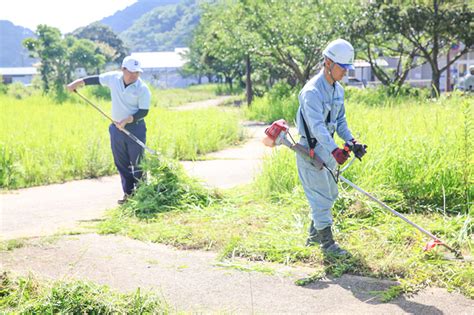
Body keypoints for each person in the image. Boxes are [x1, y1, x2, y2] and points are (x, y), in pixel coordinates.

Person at [296, 39, 365, 255]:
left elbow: (340, 122)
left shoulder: (338, 91)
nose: (345, 73)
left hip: (328, 151)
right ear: (328, 62)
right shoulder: (312, 92)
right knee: (321, 198)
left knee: (330, 194)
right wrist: (335, 148)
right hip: (311, 151)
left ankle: (312, 238)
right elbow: (317, 127)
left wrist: (352, 142)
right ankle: (328, 246)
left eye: (347, 68)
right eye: (343, 68)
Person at [67, 56, 151, 204]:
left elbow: (143, 111)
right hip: (116, 128)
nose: (134, 75)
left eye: (137, 72)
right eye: (131, 72)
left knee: (138, 163)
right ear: (123, 69)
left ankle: (144, 194)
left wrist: (127, 120)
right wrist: (77, 83)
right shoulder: (113, 78)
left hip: (135, 128)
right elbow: (96, 79)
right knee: (121, 162)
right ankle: (129, 194)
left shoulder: (142, 88)